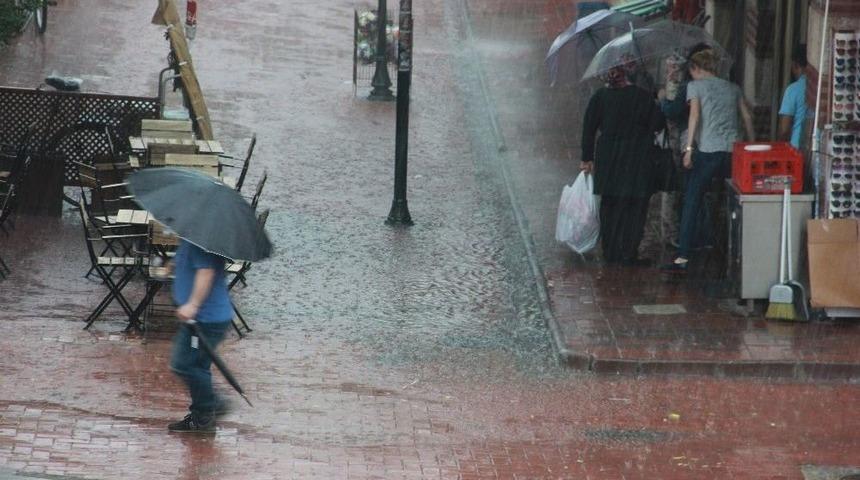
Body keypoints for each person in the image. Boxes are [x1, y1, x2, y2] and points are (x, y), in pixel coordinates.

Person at [661, 49, 755, 273]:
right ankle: (739, 252)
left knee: (692, 200)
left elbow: (694, 116)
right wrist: (751, 146)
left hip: (707, 151)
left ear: (696, 68)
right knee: (735, 200)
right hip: (733, 152)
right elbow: (747, 117)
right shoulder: (733, 88)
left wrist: (688, 149)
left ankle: (683, 257)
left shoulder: (695, 87)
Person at [581, 65, 665, 265]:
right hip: (637, 157)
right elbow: (658, 124)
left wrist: (586, 158)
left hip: (609, 157)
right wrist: (656, 101)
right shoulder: (642, 97)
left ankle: (610, 251)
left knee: (609, 204)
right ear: (627, 75)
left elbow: (589, 129)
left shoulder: (599, 97)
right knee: (635, 205)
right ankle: (629, 252)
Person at [168, 239, 234, 433]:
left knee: (185, 364)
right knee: (197, 366)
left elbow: (206, 272)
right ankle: (202, 413)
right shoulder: (191, 239)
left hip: (205, 319)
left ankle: (208, 409)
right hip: (203, 318)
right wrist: (173, 265)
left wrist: (193, 305)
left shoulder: (201, 242)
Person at [778, 44, 809, 149]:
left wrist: (780, 148)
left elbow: (784, 129)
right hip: (817, 148)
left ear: (795, 65)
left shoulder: (792, 90)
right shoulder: (819, 89)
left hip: (796, 148)